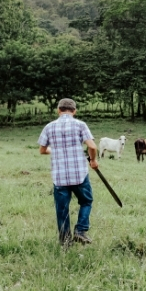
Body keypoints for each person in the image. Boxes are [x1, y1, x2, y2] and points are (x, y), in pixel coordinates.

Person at [38, 98, 98, 246]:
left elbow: (42, 150)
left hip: (59, 177)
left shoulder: (49, 127)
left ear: (58, 110)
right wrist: (93, 160)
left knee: (62, 209)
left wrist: (55, 150)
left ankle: (65, 241)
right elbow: (92, 146)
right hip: (79, 175)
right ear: (74, 111)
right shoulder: (80, 125)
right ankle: (81, 230)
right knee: (86, 201)